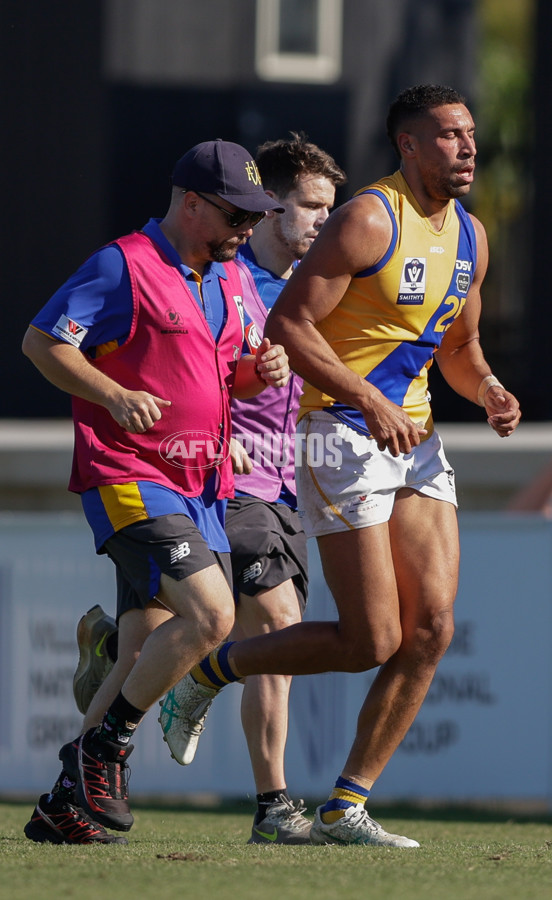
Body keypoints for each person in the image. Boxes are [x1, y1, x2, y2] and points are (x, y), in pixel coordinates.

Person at [154, 84, 522, 848]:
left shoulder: (472, 238)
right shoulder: (367, 217)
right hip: (342, 436)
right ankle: (207, 673)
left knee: (432, 630)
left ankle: (345, 805)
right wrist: (366, 397)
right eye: (449, 135)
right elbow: (289, 324)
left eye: (471, 135)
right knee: (369, 640)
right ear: (410, 145)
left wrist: (485, 387)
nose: (467, 147)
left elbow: (457, 347)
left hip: (413, 441)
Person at [21, 138, 289, 844]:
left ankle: (63, 805)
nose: (247, 230)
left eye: (256, 218)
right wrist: (112, 394)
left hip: (201, 483)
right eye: (237, 215)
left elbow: (224, 377)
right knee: (211, 616)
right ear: (191, 203)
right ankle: (102, 751)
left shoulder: (229, 275)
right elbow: (44, 342)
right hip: (130, 475)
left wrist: (263, 372)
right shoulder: (123, 265)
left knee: (144, 646)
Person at [158, 134, 347, 844]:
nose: (324, 223)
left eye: (331, 208)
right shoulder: (226, 283)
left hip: (285, 487)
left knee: (234, 638)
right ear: (267, 211)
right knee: (275, 627)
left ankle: (112, 647)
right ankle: (272, 806)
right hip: (227, 482)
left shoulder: (320, 291)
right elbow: (186, 374)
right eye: (311, 206)